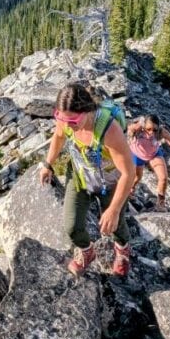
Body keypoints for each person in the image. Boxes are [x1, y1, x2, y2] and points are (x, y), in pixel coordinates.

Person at [39, 82, 136, 277]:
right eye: (60, 118)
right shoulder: (66, 119)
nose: (67, 125)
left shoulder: (110, 130)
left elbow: (128, 173)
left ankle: (122, 248)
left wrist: (114, 210)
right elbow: (58, 137)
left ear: (87, 110)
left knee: (115, 225)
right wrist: (47, 163)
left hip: (110, 181)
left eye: (73, 122)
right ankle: (86, 251)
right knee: (72, 226)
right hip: (80, 175)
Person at [127, 113, 170, 209]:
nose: (152, 133)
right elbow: (128, 130)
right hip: (136, 154)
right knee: (137, 177)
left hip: (154, 154)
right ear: (144, 126)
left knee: (163, 178)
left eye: (154, 130)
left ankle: (161, 203)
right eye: (148, 129)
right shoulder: (138, 128)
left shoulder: (161, 132)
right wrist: (133, 128)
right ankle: (131, 189)